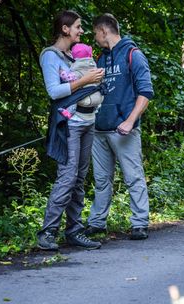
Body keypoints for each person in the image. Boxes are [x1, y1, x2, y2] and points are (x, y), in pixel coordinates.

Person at [37, 10, 105, 251]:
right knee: (66, 178)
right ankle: (47, 232)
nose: (81, 30)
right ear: (65, 29)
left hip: (88, 122)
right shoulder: (50, 56)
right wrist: (85, 80)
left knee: (79, 180)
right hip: (69, 125)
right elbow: (54, 92)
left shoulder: (75, 55)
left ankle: (74, 231)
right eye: (78, 26)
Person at [85, 13, 154, 240]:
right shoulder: (100, 59)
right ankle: (96, 223)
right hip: (99, 130)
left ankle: (140, 223)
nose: (95, 38)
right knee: (102, 181)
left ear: (103, 31)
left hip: (124, 130)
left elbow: (145, 92)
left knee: (133, 176)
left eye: (95, 33)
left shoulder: (134, 55)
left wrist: (130, 120)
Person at [57, 43, 104, 119]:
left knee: (73, 97)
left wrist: (60, 71)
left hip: (85, 99)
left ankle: (69, 112)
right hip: (97, 99)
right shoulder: (94, 68)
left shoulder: (79, 70)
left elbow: (67, 78)